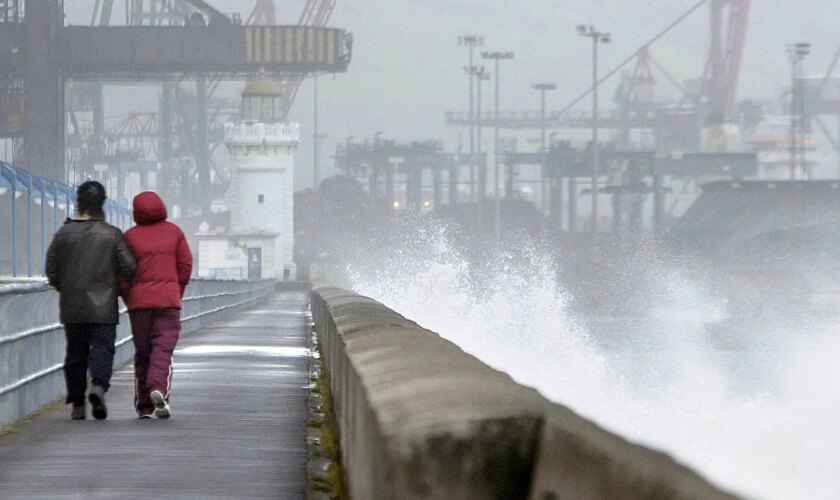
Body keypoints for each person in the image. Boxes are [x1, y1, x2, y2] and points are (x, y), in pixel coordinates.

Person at [46, 181, 137, 420]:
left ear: (78, 202)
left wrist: (65, 288)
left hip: (72, 305)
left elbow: (52, 271)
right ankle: (98, 385)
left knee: (75, 352)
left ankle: (77, 402)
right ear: (102, 203)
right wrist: (115, 284)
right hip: (104, 306)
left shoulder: (62, 234)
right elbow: (129, 267)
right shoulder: (112, 234)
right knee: (102, 349)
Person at [121, 191, 192, 419]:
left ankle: (144, 407)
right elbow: (185, 264)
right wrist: (176, 291)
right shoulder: (175, 232)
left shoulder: (129, 237)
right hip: (168, 303)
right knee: (162, 349)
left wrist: (129, 295)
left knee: (143, 353)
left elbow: (121, 272)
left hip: (139, 305)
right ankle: (158, 389)